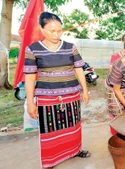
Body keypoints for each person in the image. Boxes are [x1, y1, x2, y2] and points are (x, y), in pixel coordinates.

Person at [24, 12, 90, 169]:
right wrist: (31, 102)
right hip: (47, 99)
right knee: (50, 130)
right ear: (41, 29)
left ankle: (74, 150)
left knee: (73, 126)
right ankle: (50, 160)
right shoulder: (33, 49)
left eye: (59, 30)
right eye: (51, 31)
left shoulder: (70, 47)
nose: (56, 34)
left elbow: (79, 69)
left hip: (71, 96)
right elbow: (30, 78)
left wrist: (85, 91)